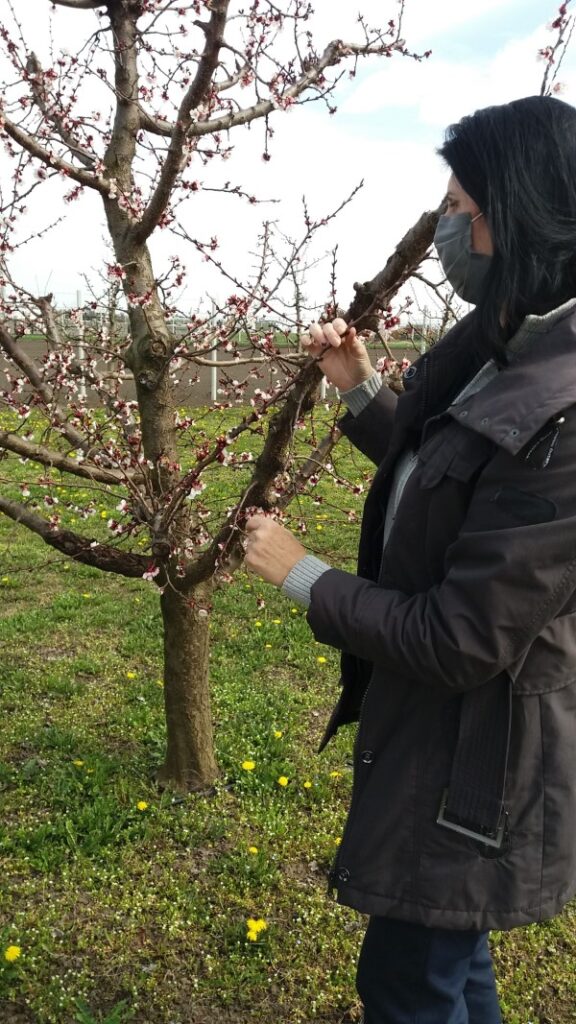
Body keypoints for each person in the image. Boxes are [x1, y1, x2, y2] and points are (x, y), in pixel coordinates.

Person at [243, 94, 576, 1024]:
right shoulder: (510, 337)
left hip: (480, 756)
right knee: (448, 957)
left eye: (461, 208)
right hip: (450, 734)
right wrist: (362, 396)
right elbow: (454, 476)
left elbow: (463, 634)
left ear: (523, 216)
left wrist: (302, 575)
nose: (445, 228)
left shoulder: (568, 405)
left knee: (409, 977)